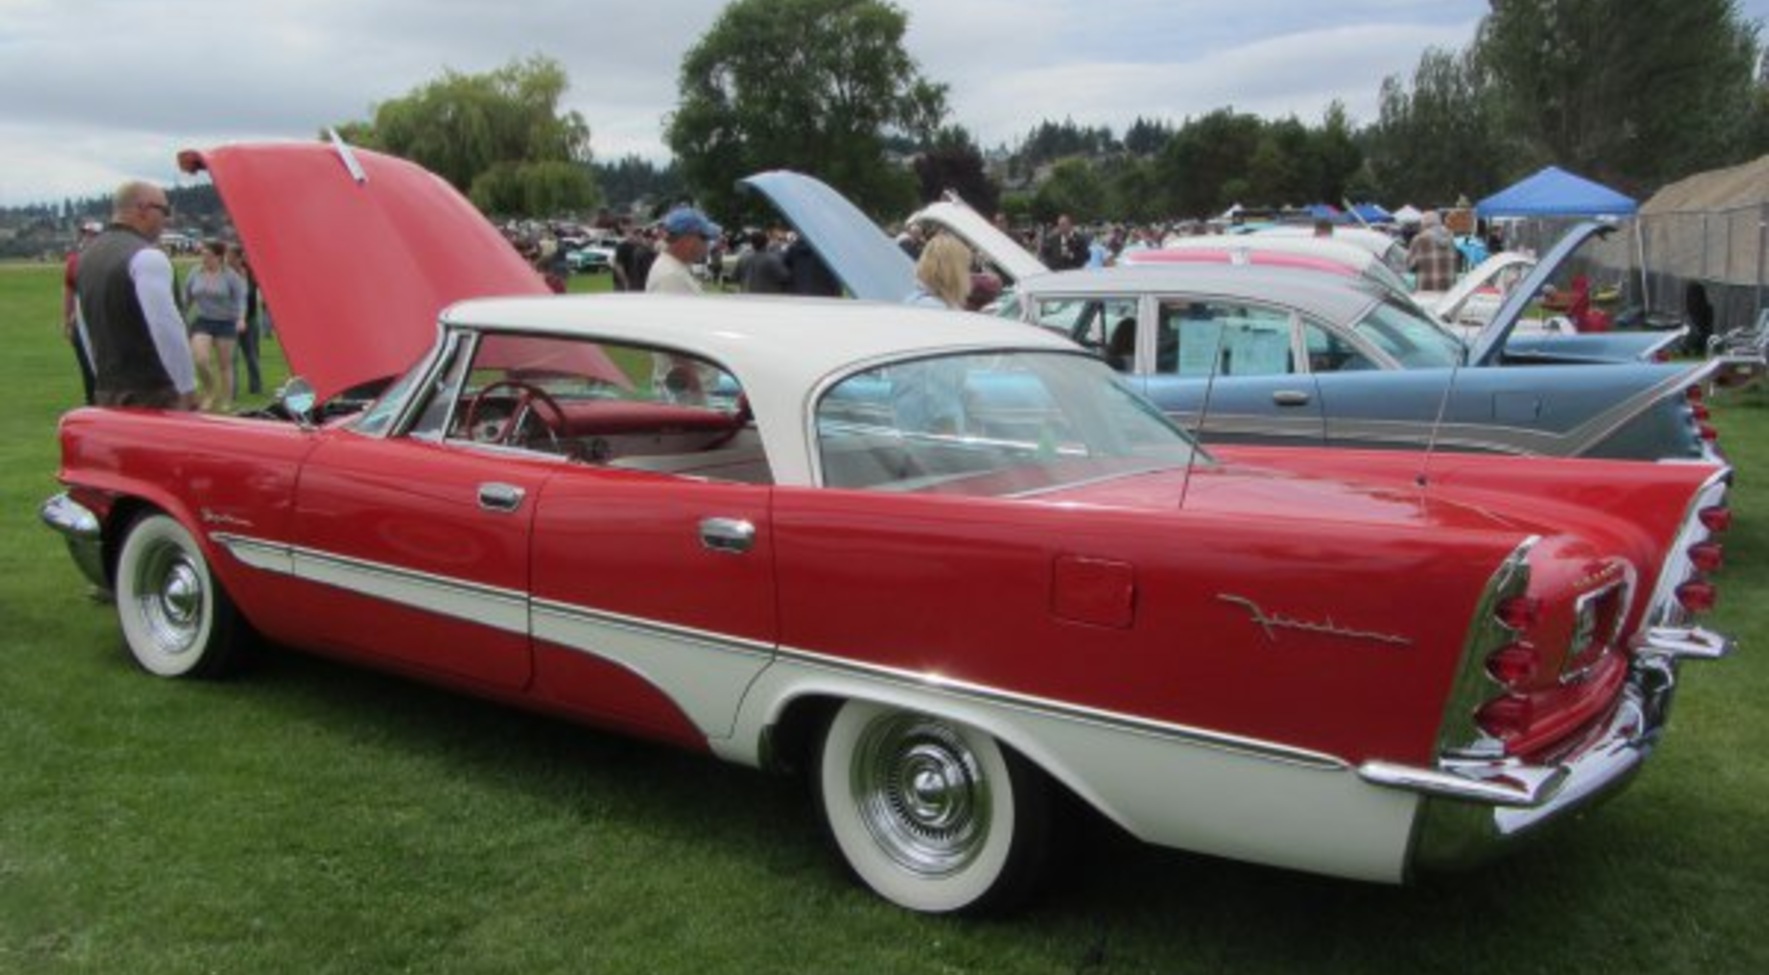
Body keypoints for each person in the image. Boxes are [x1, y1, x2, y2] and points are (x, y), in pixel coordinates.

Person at [75, 181, 198, 410]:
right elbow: (166, 327)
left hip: (108, 393)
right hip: (154, 394)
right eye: (164, 211)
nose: (166, 220)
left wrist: (101, 379)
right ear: (142, 209)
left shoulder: (86, 258)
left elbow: (84, 327)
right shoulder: (147, 257)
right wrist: (186, 388)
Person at [183, 239, 248, 411]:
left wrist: (241, 318)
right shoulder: (195, 272)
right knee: (200, 360)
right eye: (202, 255)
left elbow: (241, 299)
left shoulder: (231, 276)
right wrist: (181, 315)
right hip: (203, 320)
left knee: (224, 365)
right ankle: (210, 391)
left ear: (219, 257)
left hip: (226, 322)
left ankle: (226, 400)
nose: (204, 258)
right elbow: (187, 297)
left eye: (208, 255)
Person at [61, 222, 100, 405]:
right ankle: (92, 402)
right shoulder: (74, 261)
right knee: (86, 367)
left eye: (92, 235)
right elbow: (69, 291)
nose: (88, 238)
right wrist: (67, 321)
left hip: (103, 321)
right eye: (86, 234)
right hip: (81, 320)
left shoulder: (108, 259)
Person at [645, 206, 721, 294]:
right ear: (688, 240)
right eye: (705, 238)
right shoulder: (671, 277)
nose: (707, 244)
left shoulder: (672, 267)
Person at [226, 244, 263, 395]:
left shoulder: (251, 272)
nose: (228, 259)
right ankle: (232, 391)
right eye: (227, 256)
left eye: (231, 257)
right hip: (230, 321)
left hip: (250, 320)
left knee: (252, 356)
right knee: (232, 358)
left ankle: (256, 388)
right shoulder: (225, 275)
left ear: (240, 258)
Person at [905, 232, 972, 309]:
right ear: (954, 271)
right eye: (965, 266)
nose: (968, 274)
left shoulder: (918, 299)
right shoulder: (936, 307)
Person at [1406, 210, 1457, 292]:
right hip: (1449, 291)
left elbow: (1410, 266)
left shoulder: (1419, 239)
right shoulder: (1451, 239)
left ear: (1424, 224)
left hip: (1427, 290)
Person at [741, 229, 790, 294]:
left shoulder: (744, 258)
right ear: (767, 242)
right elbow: (785, 277)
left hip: (749, 295)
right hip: (768, 296)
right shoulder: (773, 259)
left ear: (751, 243)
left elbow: (735, 277)